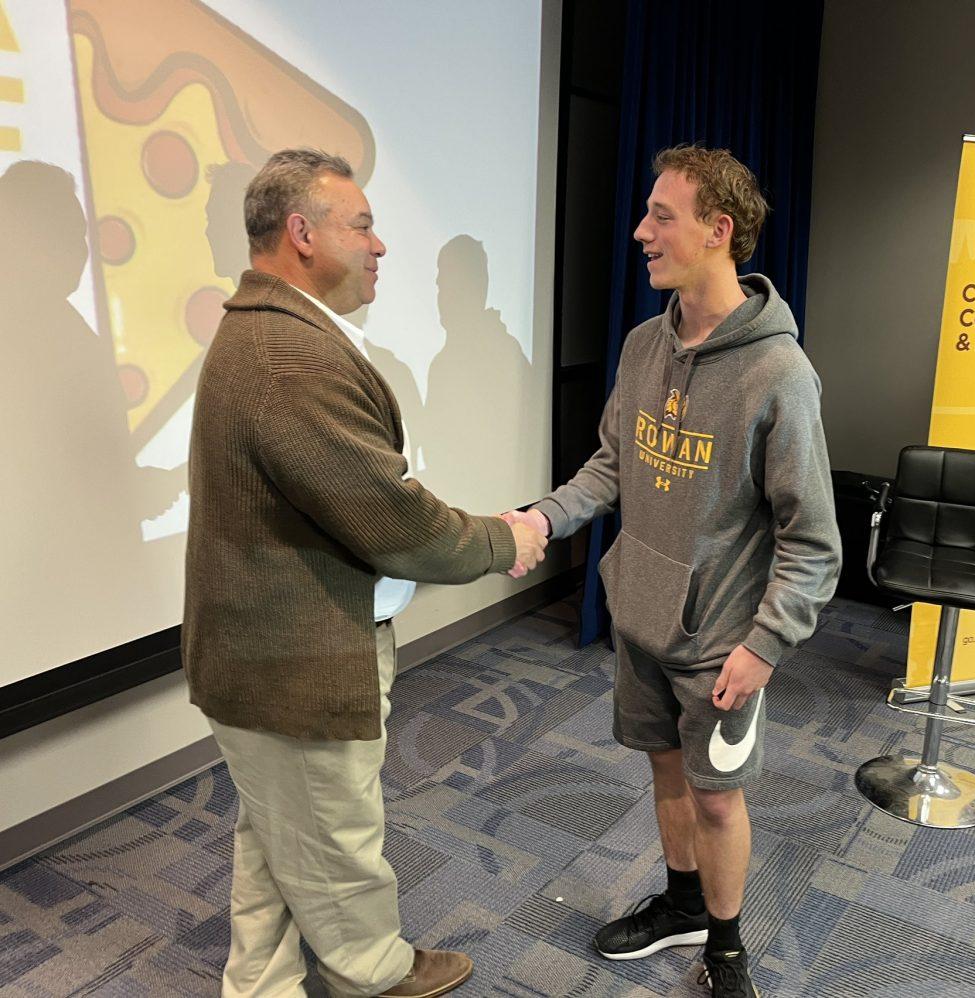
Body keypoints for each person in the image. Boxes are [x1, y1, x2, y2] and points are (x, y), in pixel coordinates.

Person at [182, 148, 546, 998]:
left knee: (281, 840)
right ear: (302, 235)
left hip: (270, 657)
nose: (381, 246)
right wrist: (503, 540)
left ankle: (258, 985)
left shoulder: (281, 334)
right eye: (364, 225)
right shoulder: (288, 359)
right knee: (336, 848)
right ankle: (375, 977)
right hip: (295, 666)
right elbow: (394, 520)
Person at [506, 145, 841, 997]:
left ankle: (725, 947)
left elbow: (814, 540)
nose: (640, 232)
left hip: (725, 641)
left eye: (662, 216)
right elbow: (612, 465)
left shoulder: (779, 374)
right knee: (662, 767)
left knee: (720, 798)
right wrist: (543, 517)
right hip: (643, 617)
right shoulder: (643, 346)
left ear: (718, 231)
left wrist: (764, 646)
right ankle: (683, 901)